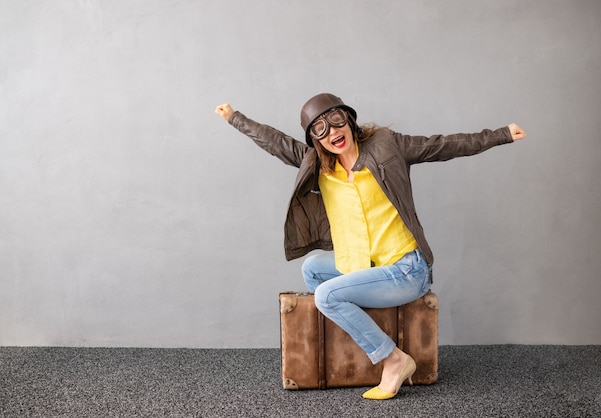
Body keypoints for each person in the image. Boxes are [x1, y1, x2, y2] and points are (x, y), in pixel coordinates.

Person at [215, 93, 526, 400]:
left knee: (326, 295)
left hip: (406, 269)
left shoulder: (387, 146)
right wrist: (234, 117)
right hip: (366, 265)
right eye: (320, 129)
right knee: (312, 269)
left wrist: (502, 135)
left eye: (336, 121)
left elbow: (443, 145)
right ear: (314, 140)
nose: (332, 133)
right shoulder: (319, 165)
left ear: (349, 119)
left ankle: (394, 360)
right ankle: (367, 350)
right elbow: (276, 142)